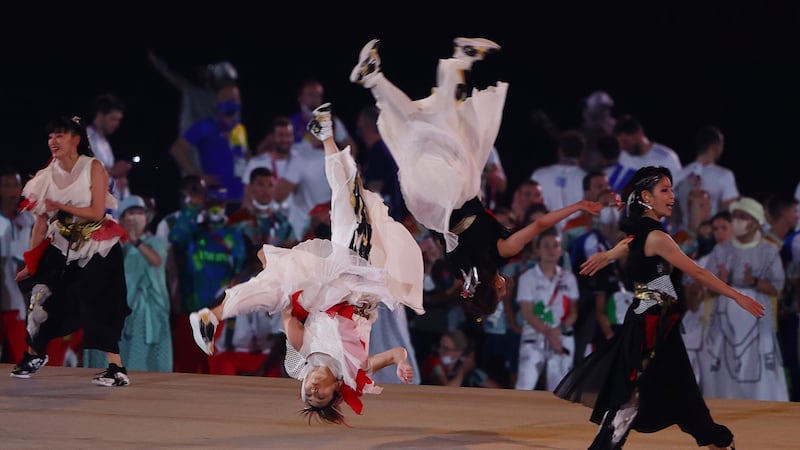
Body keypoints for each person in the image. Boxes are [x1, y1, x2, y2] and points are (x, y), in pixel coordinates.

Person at [189, 103, 423, 424]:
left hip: (324, 286)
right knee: (346, 196)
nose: (313, 390)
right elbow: (395, 353)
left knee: (278, 289)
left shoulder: (300, 357)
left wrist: (281, 274)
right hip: (360, 280)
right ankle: (325, 137)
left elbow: (288, 315)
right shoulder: (355, 370)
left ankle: (213, 316)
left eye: (308, 394)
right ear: (336, 389)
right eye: (321, 395)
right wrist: (401, 363)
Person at [350, 37, 603, 316]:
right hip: (427, 203)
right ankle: (382, 77)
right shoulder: (458, 268)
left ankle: (451, 62)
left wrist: (578, 206)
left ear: (494, 287)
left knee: (447, 126)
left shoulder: (501, 252)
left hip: (451, 192)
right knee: (430, 128)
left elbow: (541, 223)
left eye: (501, 293)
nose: (506, 289)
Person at [554, 166, 764, 449]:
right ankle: (715, 441)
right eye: (665, 190)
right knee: (638, 390)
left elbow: (632, 243)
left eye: (672, 189)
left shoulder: (643, 235)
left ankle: (717, 441)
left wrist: (609, 253)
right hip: (650, 327)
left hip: (656, 323)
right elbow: (698, 273)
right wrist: (736, 295)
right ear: (646, 197)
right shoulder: (658, 238)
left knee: (678, 390)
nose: (672, 196)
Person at [11, 116, 131, 386]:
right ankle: (34, 354)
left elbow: (97, 211)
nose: (53, 141)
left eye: (60, 135)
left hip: (97, 244)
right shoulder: (45, 177)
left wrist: (61, 206)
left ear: (75, 140)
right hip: (62, 243)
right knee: (40, 293)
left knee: (99, 303)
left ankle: (116, 368)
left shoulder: (93, 167)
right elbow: (40, 223)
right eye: (51, 136)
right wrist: (32, 263)